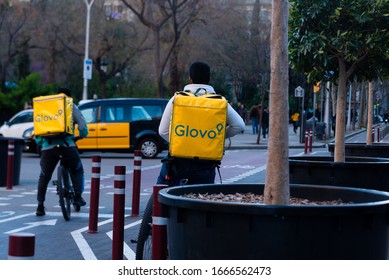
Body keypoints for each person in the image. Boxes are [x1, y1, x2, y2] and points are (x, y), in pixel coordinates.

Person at [157, 61, 245, 186]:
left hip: (177, 163)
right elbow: (239, 125)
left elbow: (162, 131)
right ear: (209, 79)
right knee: (200, 200)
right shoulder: (220, 102)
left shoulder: (177, 99)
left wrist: (183, 140)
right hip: (205, 165)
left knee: (160, 198)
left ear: (190, 79)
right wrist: (215, 137)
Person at [35, 88, 89, 216]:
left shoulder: (47, 105)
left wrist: (41, 142)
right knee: (77, 169)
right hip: (67, 145)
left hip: (48, 148)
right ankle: (77, 196)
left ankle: (40, 206)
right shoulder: (71, 105)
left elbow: (38, 130)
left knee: (44, 176)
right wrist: (82, 135)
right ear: (69, 97)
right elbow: (82, 125)